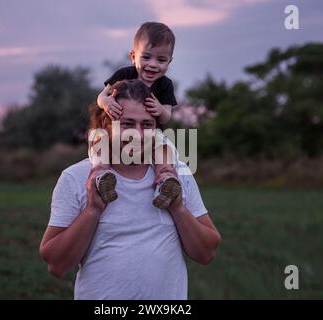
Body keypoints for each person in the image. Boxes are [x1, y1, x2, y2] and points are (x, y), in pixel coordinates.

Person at [40, 79, 221, 300]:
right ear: (108, 124)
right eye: (127, 124)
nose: (137, 135)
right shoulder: (75, 178)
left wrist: (178, 209)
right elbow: (55, 264)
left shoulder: (177, 173)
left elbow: (207, 253)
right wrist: (92, 211)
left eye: (146, 125)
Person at [95, 21, 181, 209]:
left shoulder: (165, 85)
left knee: (164, 149)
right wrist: (106, 102)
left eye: (161, 60)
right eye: (146, 57)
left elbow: (167, 116)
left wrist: (160, 109)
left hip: (151, 135)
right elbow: (100, 97)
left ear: (169, 62)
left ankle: (165, 180)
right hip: (117, 131)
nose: (152, 65)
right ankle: (101, 176)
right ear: (133, 56)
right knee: (99, 142)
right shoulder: (124, 73)